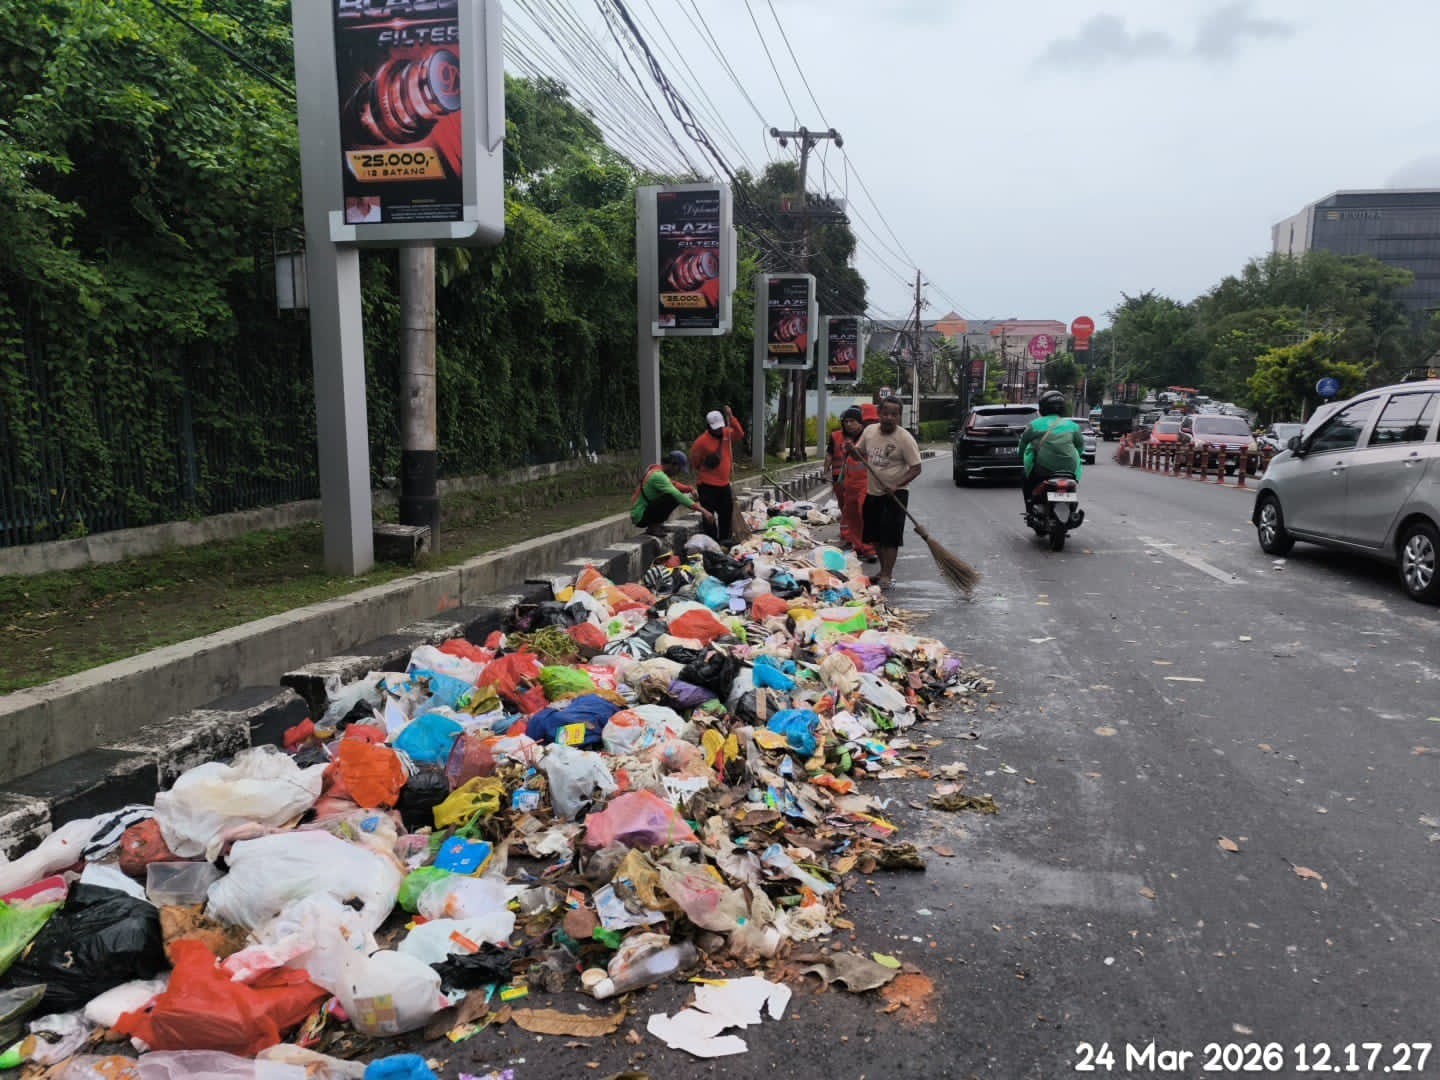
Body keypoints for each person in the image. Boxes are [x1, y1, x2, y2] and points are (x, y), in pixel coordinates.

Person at [850, 398, 922, 588]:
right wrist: (850, 450)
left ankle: (887, 575)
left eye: (894, 414)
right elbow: (858, 455)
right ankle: (883, 570)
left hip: (896, 494)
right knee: (874, 536)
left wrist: (897, 485)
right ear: (879, 414)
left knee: (890, 538)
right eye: (886, 413)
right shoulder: (869, 431)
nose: (889, 417)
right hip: (873, 492)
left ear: (899, 417)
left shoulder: (905, 439)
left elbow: (916, 468)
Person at [1019, 390, 1085, 514]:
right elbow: (1080, 448)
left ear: (1042, 407)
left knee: (1025, 476)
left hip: (1044, 470)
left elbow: (1023, 445)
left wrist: (1020, 457)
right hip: (1070, 470)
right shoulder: (1073, 426)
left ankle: (1029, 509)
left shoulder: (1034, 425)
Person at [689, 407, 744, 542]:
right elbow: (695, 461)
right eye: (716, 428)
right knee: (708, 516)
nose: (719, 430)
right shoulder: (701, 442)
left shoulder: (727, 434)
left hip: (724, 483)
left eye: (720, 427)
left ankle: (724, 540)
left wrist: (731, 417)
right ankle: (711, 541)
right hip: (707, 484)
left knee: (726, 512)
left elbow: (740, 434)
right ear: (709, 426)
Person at [631, 451, 714, 538]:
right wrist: (703, 510)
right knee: (673, 497)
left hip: (643, 512)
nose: (678, 473)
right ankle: (653, 526)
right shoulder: (658, 476)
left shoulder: (657, 471)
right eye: (679, 469)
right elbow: (677, 495)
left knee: (673, 494)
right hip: (640, 516)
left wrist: (690, 489)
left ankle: (657, 524)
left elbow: (674, 484)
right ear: (673, 465)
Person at [827, 408, 875, 559]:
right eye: (846, 421)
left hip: (866, 483)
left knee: (864, 514)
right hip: (849, 484)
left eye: (852, 421)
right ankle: (858, 546)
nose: (848, 424)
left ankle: (869, 548)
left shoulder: (867, 437)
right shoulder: (842, 438)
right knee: (851, 515)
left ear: (860, 423)